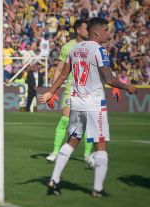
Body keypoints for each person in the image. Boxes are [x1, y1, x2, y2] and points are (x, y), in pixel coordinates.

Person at [39, 17, 137, 197]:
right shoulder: (100, 50)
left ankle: (54, 179)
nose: (108, 33)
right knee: (100, 144)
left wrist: (50, 92)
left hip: (77, 102)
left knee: (72, 141)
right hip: (94, 104)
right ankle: (98, 189)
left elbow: (62, 76)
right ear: (97, 32)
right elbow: (108, 79)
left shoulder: (75, 49)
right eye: (106, 30)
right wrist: (127, 86)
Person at [46, 20, 93, 162]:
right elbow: (60, 69)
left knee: (87, 123)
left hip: (89, 90)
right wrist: (53, 90)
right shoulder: (68, 47)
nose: (88, 31)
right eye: (86, 29)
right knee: (65, 120)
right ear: (78, 30)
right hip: (71, 88)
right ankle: (55, 152)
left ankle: (87, 155)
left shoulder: (93, 46)